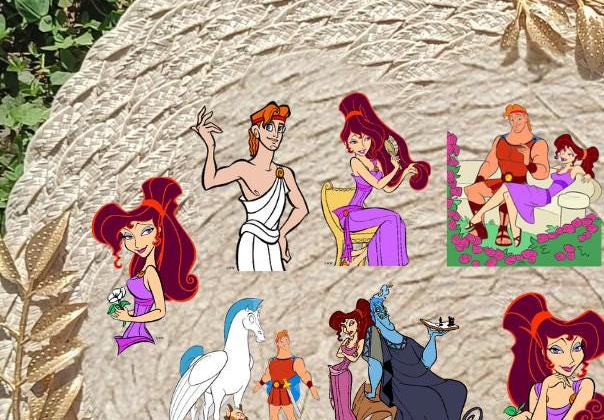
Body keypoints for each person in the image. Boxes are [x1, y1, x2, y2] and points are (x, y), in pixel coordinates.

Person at [361, 284, 484, 420]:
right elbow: (375, 366)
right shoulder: (376, 338)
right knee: (428, 398)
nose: (386, 317)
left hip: (424, 378)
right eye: (380, 314)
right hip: (402, 385)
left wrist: (432, 337)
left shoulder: (403, 339)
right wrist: (373, 390)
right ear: (375, 321)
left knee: (455, 389)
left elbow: (426, 361)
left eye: (385, 313)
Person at [192, 102, 308, 271]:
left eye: (280, 128)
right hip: (252, 242)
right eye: (269, 127)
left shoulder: (285, 173)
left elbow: (301, 208)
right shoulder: (243, 168)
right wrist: (210, 147)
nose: (275, 134)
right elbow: (209, 181)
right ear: (256, 131)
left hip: (274, 244)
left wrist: (282, 234)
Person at [91, 176, 198, 354]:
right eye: (128, 236)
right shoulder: (142, 269)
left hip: (137, 335)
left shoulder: (151, 273)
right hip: (131, 335)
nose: (137, 242)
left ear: (159, 231)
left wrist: (129, 316)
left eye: (146, 231)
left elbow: (160, 311)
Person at [503, 292, 604, 420]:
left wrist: (530, 415)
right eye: (556, 349)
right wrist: (546, 387)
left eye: (577, 348)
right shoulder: (537, 390)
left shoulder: (584, 387)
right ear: (543, 352)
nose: (570, 359)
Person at [333, 92, 429, 265]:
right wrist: (395, 169)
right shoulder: (355, 162)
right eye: (354, 141)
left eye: (366, 138)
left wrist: (404, 173)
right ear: (347, 144)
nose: (362, 145)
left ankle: (380, 259)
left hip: (360, 213)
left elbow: (387, 188)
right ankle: (382, 260)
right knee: (391, 218)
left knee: (397, 221)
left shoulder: (374, 162)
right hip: (351, 216)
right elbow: (378, 184)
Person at [469, 132, 598, 247]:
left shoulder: (574, 170)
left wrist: (588, 175)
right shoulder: (560, 168)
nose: (564, 155)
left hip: (545, 196)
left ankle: (477, 217)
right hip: (541, 192)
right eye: (563, 152)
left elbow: (587, 172)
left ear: (576, 157)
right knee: (508, 195)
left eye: (570, 153)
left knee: (506, 186)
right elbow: (543, 173)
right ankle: (515, 229)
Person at [464, 104, 550, 244]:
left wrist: (528, 161)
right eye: (511, 119)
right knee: (472, 190)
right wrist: (479, 179)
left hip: (520, 185)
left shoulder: (538, 143)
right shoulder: (500, 140)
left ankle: (503, 230)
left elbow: (543, 174)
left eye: (519, 118)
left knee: (507, 193)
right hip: (502, 181)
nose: (515, 122)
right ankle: (480, 229)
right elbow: (490, 163)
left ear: (526, 118)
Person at [253, 329, 320, 420]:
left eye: (287, 340)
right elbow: (268, 375)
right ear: (277, 343)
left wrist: (311, 387)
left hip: (286, 393)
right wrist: (259, 384)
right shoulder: (272, 361)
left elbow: (304, 374)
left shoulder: (296, 361)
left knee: (290, 417)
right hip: (274, 393)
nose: (285, 343)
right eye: (282, 341)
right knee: (273, 418)